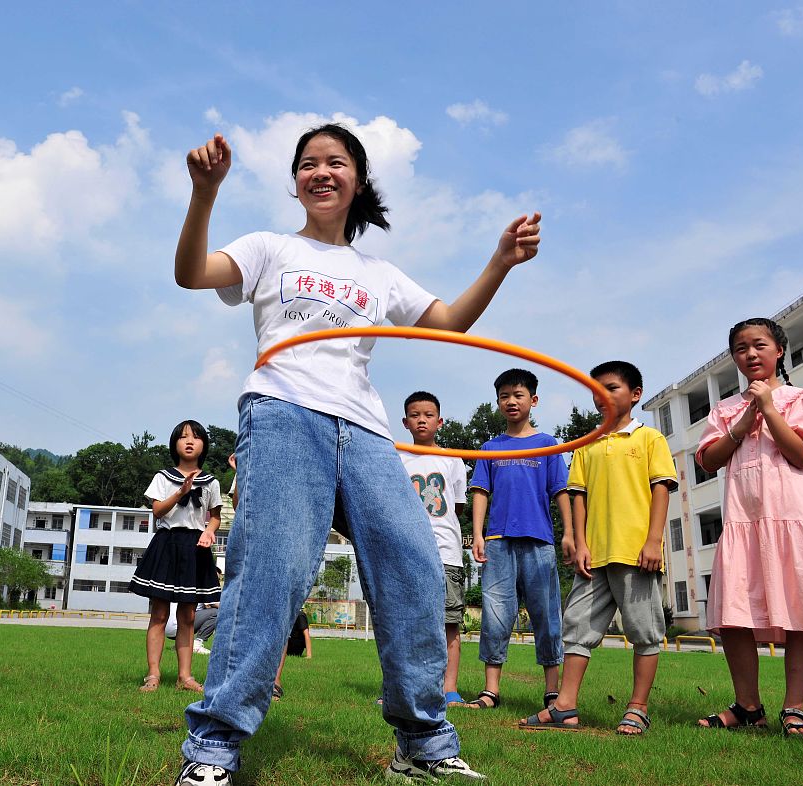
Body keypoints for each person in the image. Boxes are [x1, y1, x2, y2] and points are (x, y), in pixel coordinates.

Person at [172, 124, 539, 784]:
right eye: (308, 163)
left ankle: (421, 741)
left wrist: (501, 263)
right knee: (272, 572)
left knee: (416, 568)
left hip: (365, 428)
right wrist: (204, 193)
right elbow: (191, 274)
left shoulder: (378, 272)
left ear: (358, 180)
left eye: (335, 162)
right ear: (295, 182)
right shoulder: (269, 247)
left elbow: (450, 324)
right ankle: (214, 747)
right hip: (283, 410)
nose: (321, 172)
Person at [694, 318, 803, 735]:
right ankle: (748, 707)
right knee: (733, 616)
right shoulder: (724, 410)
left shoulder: (801, 399)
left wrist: (768, 407)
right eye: (741, 348)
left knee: (802, 612)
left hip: (795, 521)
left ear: (779, 350)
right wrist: (742, 422)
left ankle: (794, 707)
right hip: (743, 523)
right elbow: (709, 460)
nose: (750, 354)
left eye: (759, 345)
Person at [520, 361, 676, 735]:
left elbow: (660, 489)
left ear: (635, 394)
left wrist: (653, 541)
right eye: (595, 389)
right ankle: (564, 706)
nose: (601, 395)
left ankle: (638, 708)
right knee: (576, 627)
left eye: (611, 388)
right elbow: (579, 495)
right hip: (595, 556)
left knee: (644, 631)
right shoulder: (586, 444)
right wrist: (579, 542)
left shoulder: (649, 439)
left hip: (636, 553)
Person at [468, 369, 569, 710]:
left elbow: (560, 491)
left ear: (533, 400)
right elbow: (480, 491)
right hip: (498, 540)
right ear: (498, 402)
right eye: (504, 396)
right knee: (496, 615)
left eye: (518, 395)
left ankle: (552, 690)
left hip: (539, 540)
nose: (511, 401)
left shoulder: (548, 444)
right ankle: (491, 691)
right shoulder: (490, 448)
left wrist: (569, 533)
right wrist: (478, 534)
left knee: (547, 615)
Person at [131, 420, 221, 693]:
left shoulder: (211, 482)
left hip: (195, 548)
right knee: (159, 613)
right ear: (175, 444)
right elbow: (157, 511)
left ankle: (185, 677)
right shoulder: (163, 477)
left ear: (204, 444)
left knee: (188, 615)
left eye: (195, 437)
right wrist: (181, 491)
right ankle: (153, 675)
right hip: (167, 544)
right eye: (183, 437)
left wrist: (209, 531)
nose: (189, 441)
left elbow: (215, 517)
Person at [398, 391, 470, 707]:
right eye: (415, 415)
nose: (422, 420)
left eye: (428, 415)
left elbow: (458, 506)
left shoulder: (452, 458)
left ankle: (449, 688)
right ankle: (403, 687)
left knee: (449, 623)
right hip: (408, 552)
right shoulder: (398, 458)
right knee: (406, 623)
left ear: (439, 422)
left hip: (446, 553)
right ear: (405, 422)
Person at [272, 609, 311, 699]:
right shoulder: (292, 614)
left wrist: (309, 655)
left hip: (295, 648)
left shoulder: (300, 615)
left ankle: (275, 682)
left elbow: (306, 635)